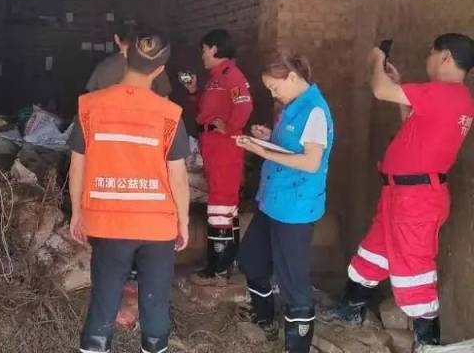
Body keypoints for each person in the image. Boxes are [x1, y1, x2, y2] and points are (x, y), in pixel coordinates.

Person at [322, 33, 474, 351]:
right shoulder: (453, 98)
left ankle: (427, 340)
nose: (427, 60)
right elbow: (414, 126)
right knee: (373, 252)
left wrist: (377, 60)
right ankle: (351, 309)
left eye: (431, 54)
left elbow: (379, 90)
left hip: (415, 199)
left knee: (414, 268)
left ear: (446, 57)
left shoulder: (444, 93)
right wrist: (400, 83)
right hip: (403, 194)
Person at [68, 33, 191, 353]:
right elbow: (178, 177)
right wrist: (184, 221)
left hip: (108, 224)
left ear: (126, 57)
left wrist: (77, 213)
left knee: (105, 296)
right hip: (157, 224)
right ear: (158, 69)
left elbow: (77, 167)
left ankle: (95, 345)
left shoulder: (90, 106)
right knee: (155, 299)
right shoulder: (170, 114)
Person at [234, 51, 334, 353]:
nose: (273, 93)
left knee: (293, 279)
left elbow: (310, 162)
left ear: (293, 77)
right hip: (272, 201)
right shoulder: (292, 107)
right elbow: (292, 147)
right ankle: (264, 318)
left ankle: (297, 344)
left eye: (275, 87)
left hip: (295, 208)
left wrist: (261, 151)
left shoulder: (315, 110)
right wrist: (269, 138)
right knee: (252, 258)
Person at [182, 29, 253, 285]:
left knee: (221, 204)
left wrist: (231, 128)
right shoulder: (214, 78)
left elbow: (245, 105)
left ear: (214, 48)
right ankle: (226, 261)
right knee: (224, 203)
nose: (202, 55)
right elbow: (204, 110)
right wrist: (193, 92)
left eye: (203, 49)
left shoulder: (231, 75)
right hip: (211, 143)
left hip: (224, 146)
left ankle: (218, 267)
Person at [86, 25, 172, 97]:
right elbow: (165, 100)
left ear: (116, 39)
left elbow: (89, 104)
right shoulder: (155, 66)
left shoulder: (104, 67)